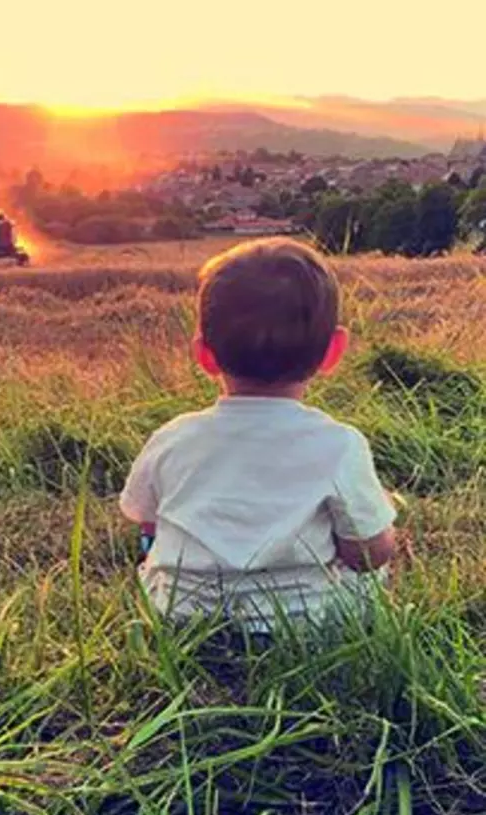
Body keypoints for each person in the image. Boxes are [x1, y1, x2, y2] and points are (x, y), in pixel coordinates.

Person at [120, 238, 396, 634]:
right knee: (373, 577)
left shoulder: (172, 438)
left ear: (204, 355)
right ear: (333, 351)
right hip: (305, 627)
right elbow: (367, 554)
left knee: (150, 569)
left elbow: (147, 526)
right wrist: (383, 522)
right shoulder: (340, 445)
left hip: (180, 619)